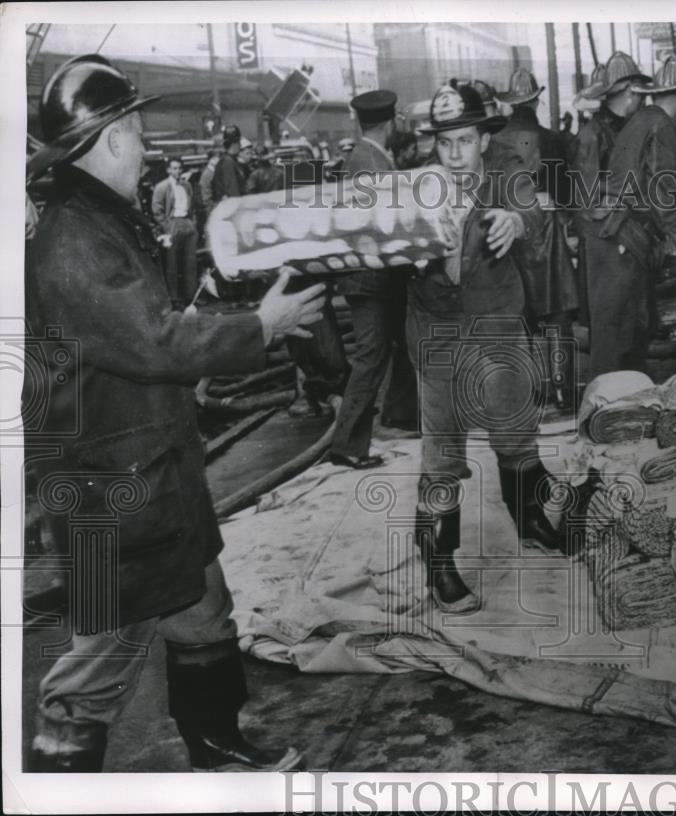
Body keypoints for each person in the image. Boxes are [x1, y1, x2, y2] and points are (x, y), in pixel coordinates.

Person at [23, 54, 326, 772]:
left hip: (148, 475)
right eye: (136, 127)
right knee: (104, 651)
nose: (146, 144)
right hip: (109, 492)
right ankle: (55, 775)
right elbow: (154, 340)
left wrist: (216, 306)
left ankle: (216, 744)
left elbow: (142, 332)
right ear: (115, 137)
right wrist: (263, 327)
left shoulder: (99, 222)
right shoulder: (72, 241)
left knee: (202, 606)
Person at [410, 82, 565, 613]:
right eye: (445, 142)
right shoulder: (417, 184)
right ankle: (438, 563)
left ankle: (531, 521)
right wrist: (400, 246)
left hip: (498, 316)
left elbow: (536, 212)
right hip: (437, 324)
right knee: (443, 447)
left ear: (483, 139)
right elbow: (374, 237)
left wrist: (515, 220)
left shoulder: (505, 171)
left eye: (464, 141)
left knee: (516, 426)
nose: (454, 155)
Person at [325, 89, 419, 470]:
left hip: (372, 278)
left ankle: (400, 415)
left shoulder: (366, 157)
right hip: (371, 279)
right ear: (391, 121)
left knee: (398, 344)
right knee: (370, 357)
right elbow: (384, 225)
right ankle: (347, 444)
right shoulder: (371, 163)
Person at [588, 56, 676, 377]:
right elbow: (663, 195)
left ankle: (619, 403)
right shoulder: (663, 125)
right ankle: (608, 410)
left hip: (613, 235)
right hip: (621, 237)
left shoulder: (643, 119)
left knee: (624, 330)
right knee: (620, 335)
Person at [493, 68, 577, 408]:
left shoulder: (496, 141)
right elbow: (566, 191)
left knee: (521, 311)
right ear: (536, 101)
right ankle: (564, 392)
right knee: (558, 313)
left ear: (512, 104)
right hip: (547, 228)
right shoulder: (552, 139)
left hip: (510, 230)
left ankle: (530, 391)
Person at [568, 52, 650, 342]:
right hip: (609, 244)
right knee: (610, 333)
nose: (642, 101)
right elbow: (589, 201)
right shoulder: (592, 136)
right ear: (629, 91)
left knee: (634, 328)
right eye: (639, 94)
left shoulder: (628, 129)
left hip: (630, 239)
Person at [152, 158, 199, 306]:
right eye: (174, 168)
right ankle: (175, 298)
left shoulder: (187, 186)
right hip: (172, 223)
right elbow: (157, 209)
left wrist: (193, 222)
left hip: (187, 222)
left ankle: (190, 297)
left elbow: (193, 205)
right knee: (172, 263)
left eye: (179, 168)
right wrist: (166, 226)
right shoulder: (162, 187)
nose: (177, 171)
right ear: (168, 170)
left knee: (190, 262)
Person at [211, 124, 245, 201]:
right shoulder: (228, 162)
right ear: (235, 143)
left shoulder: (229, 160)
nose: (241, 145)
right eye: (239, 142)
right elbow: (233, 191)